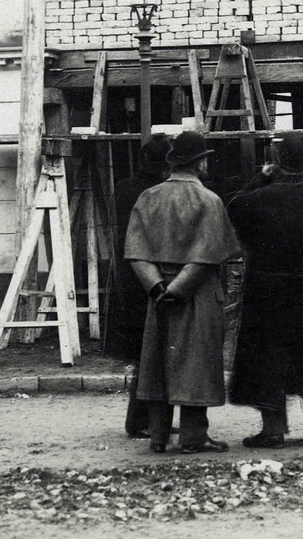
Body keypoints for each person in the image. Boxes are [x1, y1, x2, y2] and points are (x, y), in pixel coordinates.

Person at [228, 134, 303, 448]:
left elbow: (233, 207)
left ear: (278, 161)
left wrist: (259, 178)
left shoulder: (259, 199)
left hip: (268, 294)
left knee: (269, 361)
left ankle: (274, 430)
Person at [125, 130, 242, 453]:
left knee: (158, 362)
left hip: (157, 293)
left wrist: (157, 286)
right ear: (200, 162)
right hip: (198, 292)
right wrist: (180, 289)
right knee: (197, 363)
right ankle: (193, 436)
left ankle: (158, 436)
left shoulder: (148, 197)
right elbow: (209, 254)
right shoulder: (209, 201)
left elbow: (136, 251)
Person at [107, 135, 171, 438]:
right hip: (150, 277)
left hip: (126, 276)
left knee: (142, 353)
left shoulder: (124, 188)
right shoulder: (157, 193)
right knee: (151, 353)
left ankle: (147, 419)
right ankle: (139, 421)